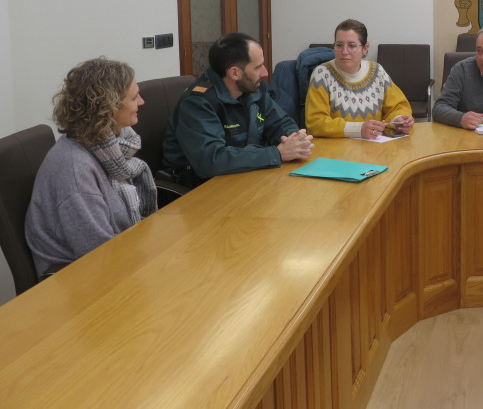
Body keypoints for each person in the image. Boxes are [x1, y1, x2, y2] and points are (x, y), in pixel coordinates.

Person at [25, 58, 156, 277]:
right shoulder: (76, 170)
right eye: (134, 97)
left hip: (117, 259)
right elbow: (99, 255)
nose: (142, 102)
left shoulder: (112, 147)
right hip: (78, 282)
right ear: (108, 107)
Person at [163, 32, 312, 185]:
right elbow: (210, 160)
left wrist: (294, 140)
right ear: (235, 73)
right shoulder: (197, 103)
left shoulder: (252, 88)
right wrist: (276, 154)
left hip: (245, 175)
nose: (265, 72)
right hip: (202, 188)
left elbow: (280, 123)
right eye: (258, 67)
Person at [305, 19, 415, 139]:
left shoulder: (377, 71)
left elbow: (398, 106)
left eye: (351, 45)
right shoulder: (321, 75)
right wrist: (359, 129)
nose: (344, 52)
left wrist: (397, 121)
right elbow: (315, 123)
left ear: (365, 49)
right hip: (335, 149)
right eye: (339, 45)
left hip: (372, 148)